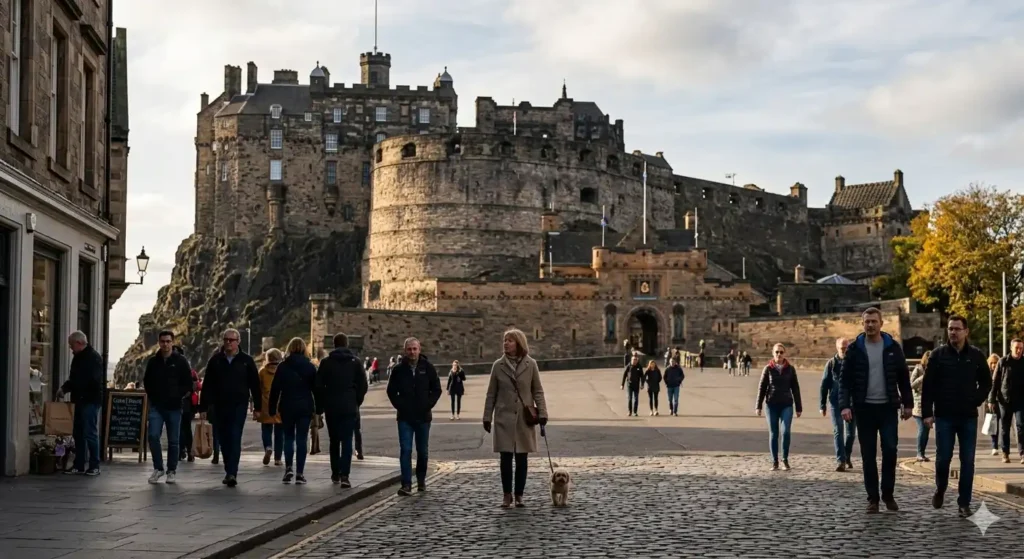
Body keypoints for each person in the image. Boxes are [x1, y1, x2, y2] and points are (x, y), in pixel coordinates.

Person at [838, 307, 912, 513]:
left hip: (888, 408)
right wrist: (844, 405)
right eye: (867, 322)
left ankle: (888, 494)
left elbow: (904, 378)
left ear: (881, 323)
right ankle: (873, 499)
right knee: (868, 455)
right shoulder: (854, 349)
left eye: (873, 321)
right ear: (863, 324)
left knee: (890, 450)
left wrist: (908, 404)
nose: (870, 325)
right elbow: (844, 381)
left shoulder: (892, 347)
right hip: (864, 409)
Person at [921, 315, 992, 517]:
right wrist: (927, 414)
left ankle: (964, 502)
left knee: (967, 460)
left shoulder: (976, 355)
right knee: (943, 458)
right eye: (950, 328)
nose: (952, 332)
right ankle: (941, 488)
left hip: (968, 416)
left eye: (957, 329)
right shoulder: (938, 355)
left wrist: (975, 399)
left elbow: (986, 383)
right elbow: (928, 387)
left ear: (966, 331)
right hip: (944, 416)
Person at [483, 328, 549, 508]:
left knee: (522, 459)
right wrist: (487, 417)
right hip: (503, 417)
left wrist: (542, 413)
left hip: (523, 418)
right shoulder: (498, 365)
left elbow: (537, 390)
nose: (506, 343)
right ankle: (507, 495)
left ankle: (519, 494)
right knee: (505, 459)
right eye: (505, 340)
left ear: (519, 343)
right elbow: (491, 394)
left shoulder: (531, 364)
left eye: (510, 341)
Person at [199, 328, 262, 487]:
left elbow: (255, 384)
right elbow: (207, 385)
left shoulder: (246, 361)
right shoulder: (216, 360)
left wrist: (258, 407)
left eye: (231, 340)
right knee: (223, 439)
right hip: (219, 405)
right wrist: (203, 407)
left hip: (238, 405)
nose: (228, 342)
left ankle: (232, 472)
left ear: (238, 342)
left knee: (234, 437)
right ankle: (229, 469)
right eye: (226, 339)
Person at [387, 337, 442, 496]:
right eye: (409, 349)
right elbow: (391, 391)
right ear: (405, 350)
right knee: (406, 450)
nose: (412, 352)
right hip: (405, 417)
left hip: (423, 417)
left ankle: (421, 480)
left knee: (422, 451)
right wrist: (400, 405)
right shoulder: (398, 369)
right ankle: (406, 484)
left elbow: (436, 389)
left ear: (419, 349)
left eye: (414, 349)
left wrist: (428, 404)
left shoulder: (428, 367)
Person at [316, 332, 368, 487]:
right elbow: (363, 385)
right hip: (349, 406)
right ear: (347, 344)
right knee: (347, 441)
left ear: (334, 344)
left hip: (332, 407)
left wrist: (321, 406)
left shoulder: (326, 363)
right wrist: (356, 401)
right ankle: (345, 475)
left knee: (334, 441)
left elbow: (318, 386)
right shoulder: (355, 362)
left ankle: (335, 473)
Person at [142, 331, 193, 484]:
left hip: (174, 407)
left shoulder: (181, 361)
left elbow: (188, 383)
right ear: (159, 342)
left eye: (168, 341)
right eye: (163, 341)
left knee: (173, 440)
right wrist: (152, 396)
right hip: (157, 406)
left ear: (172, 342)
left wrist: (178, 395)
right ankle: (158, 468)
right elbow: (147, 381)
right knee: (152, 436)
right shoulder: (153, 362)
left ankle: (172, 470)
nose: (165, 344)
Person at [269, 337, 318, 484]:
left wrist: (272, 408)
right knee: (301, 439)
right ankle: (300, 473)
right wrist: (319, 407)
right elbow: (316, 389)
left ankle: (288, 467)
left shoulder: (283, 366)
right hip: (304, 407)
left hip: (287, 406)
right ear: (304, 349)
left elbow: (275, 389)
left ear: (289, 348)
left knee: (288, 438)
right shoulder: (310, 367)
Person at [56, 331, 104, 476]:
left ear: (79, 343)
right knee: (78, 433)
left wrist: (70, 387)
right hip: (78, 400)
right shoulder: (78, 358)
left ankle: (94, 465)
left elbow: (90, 380)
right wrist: (64, 389)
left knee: (90, 433)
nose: (71, 348)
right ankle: (79, 465)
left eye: (71, 345)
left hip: (90, 400)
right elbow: (74, 378)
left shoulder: (93, 358)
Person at [755, 343, 802, 471]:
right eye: (777, 352)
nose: (779, 354)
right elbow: (762, 388)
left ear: (784, 353)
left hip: (787, 404)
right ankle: (774, 461)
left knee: (786, 431)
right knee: (774, 433)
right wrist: (758, 406)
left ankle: (785, 460)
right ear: (773, 353)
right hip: (771, 404)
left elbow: (795, 388)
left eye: (781, 352)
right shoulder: (768, 369)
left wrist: (799, 407)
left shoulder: (790, 369)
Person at [820, 338, 855, 471]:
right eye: (842, 348)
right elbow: (824, 385)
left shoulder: (853, 363)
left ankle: (847, 456)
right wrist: (822, 404)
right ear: (837, 348)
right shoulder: (831, 364)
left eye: (846, 348)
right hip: (835, 402)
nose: (844, 350)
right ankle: (841, 460)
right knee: (838, 431)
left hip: (852, 402)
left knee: (851, 434)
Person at [990, 339, 1024, 464]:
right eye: (1017, 348)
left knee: (1021, 426)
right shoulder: (1003, 362)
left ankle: (1022, 453)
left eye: (1021, 348)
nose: (1019, 350)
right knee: (1005, 427)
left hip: (1021, 400)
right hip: (1005, 400)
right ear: (1011, 348)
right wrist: (991, 399)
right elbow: (995, 382)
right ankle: (1005, 452)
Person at [257, 349, 285, 466]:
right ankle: (278, 459)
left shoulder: (262, 371)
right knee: (280, 433)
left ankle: (268, 447)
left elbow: (257, 389)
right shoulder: (283, 370)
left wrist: (255, 406)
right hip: (280, 404)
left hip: (266, 405)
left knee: (266, 429)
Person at [178, 349, 200, 464]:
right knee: (186, 428)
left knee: (180, 428)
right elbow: (196, 386)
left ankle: (181, 451)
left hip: (183, 403)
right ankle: (189, 451)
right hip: (188, 403)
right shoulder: (191, 371)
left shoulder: (179, 370)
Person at [910, 350, 932, 461]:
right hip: (918, 405)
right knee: (922, 429)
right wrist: (921, 378)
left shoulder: (934, 371)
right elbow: (911, 385)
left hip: (929, 405)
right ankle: (919, 453)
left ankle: (922, 453)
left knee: (927, 430)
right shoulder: (918, 369)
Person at [985, 353, 1001, 456]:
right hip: (990, 402)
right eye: (992, 363)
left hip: (1001, 401)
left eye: (995, 363)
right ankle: (994, 446)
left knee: (1002, 425)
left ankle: (1002, 445)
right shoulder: (986, 374)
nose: (994, 365)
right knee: (992, 424)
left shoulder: (1001, 372)